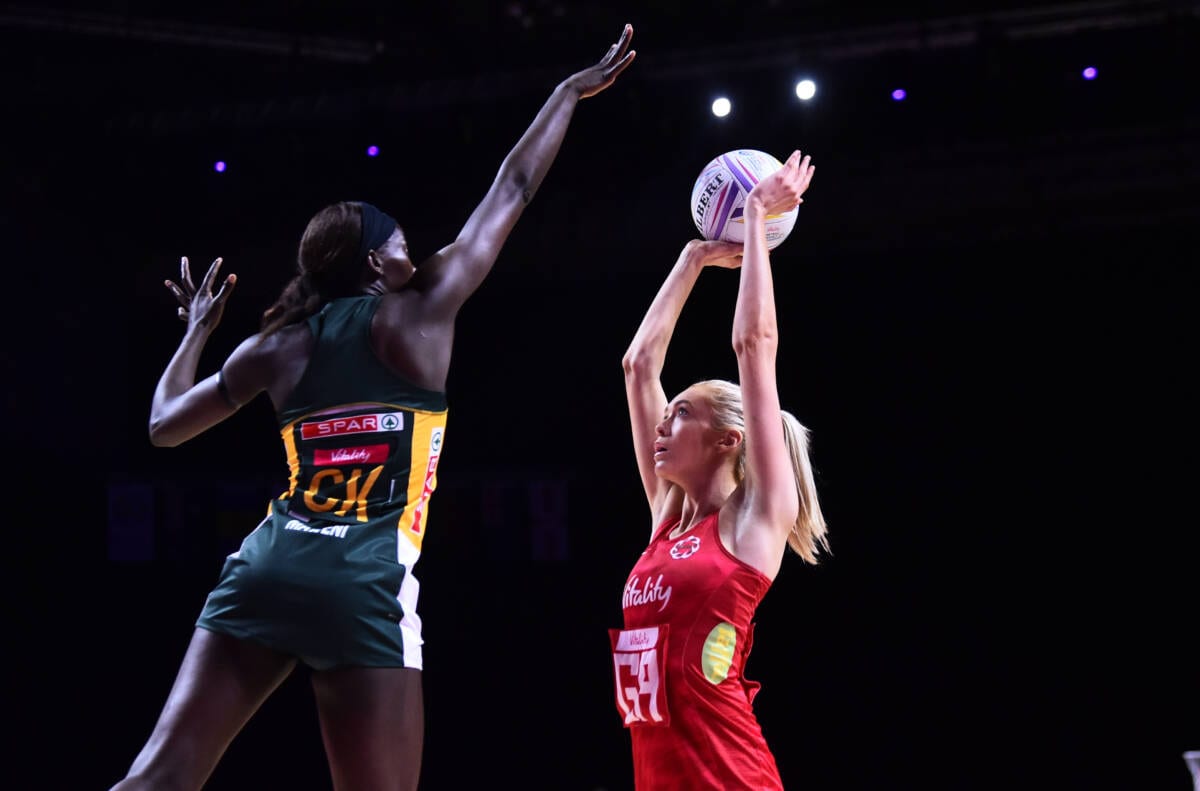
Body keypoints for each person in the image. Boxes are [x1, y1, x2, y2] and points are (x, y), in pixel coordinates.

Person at [111, 24, 635, 791]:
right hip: (363, 583)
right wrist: (566, 93)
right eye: (399, 244)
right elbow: (512, 189)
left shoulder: (277, 346)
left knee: (158, 777)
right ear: (373, 263)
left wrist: (194, 333)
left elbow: (162, 425)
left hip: (266, 568)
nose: (412, 251)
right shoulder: (421, 311)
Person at [610, 149, 828, 790]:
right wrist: (692, 259)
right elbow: (637, 366)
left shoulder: (755, 521)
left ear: (729, 439)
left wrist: (758, 216)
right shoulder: (666, 517)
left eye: (679, 414)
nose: (660, 426)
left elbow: (754, 347)